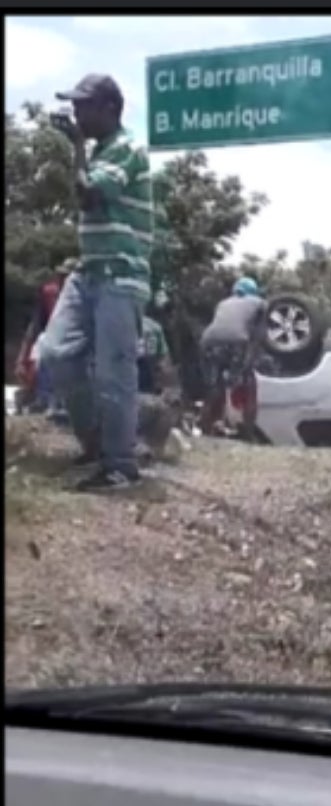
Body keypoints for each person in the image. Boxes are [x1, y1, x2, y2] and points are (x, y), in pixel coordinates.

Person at [34, 74, 152, 492]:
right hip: (88, 272)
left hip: (121, 274)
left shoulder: (127, 149)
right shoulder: (101, 151)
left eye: (84, 106)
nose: (77, 113)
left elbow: (89, 195)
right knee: (54, 353)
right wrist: (82, 149)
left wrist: (76, 146)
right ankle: (98, 444)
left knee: (113, 372)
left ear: (110, 109)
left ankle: (120, 465)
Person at [197, 278, 267, 439]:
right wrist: (249, 360)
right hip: (236, 342)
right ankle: (249, 433)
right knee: (249, 387)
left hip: (207, 342)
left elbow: (222, 325)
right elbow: (259, 335)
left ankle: (205, 428)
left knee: (214, 388)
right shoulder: (260, 303)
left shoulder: (222, 303)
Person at [16, 260, 75, 413]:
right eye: (61, 276)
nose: (63, 280)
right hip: (52, 340)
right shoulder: (49, 294)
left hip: (75, 342)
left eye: (67, 277)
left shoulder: (86, 298)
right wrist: (22, 357)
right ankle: (44, 400)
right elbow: (35, 326)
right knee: (44, 355)